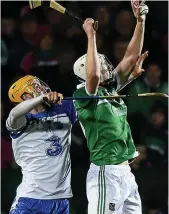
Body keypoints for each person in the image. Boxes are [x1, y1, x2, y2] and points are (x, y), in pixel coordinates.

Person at [73, 0, 148, 213]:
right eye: (100, 62)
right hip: (106, 173)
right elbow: (94, 75)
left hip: (126, 174)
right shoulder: (84, 94)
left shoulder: (110, 88)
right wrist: (91, 36)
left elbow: (131, 57)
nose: (107, 66)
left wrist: (140, 21)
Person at [6, 75, 77, 214]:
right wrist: (41, 98)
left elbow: (91, 94)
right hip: (29, 199)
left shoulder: (64, 108)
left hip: (61, 200)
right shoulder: (20, 122)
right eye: (36, 87)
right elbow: (15, 113)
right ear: (26, 97)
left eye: (41, 84)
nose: (43, 88)